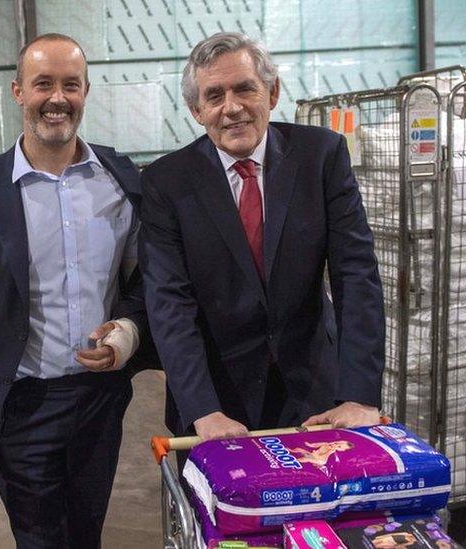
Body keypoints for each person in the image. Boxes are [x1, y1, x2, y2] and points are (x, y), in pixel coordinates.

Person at [0, 33, 149, 548]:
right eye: (43, 84)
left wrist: (127, 328)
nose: (57, 98)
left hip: (99, 401)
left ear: (85, 92)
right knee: (39, 539)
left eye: (70, 85)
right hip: (20, 403)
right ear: (17, 91)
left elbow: (147, 281)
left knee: (87, 534)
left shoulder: (121, 178)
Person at [139, 32, 385, 445]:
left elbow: (355, 274)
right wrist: (203, 409)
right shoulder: (167, 182)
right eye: (214, 96)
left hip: (315, 393)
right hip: (217, 399)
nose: (231, 108)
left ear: (272, 93)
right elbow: (169, 303)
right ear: (196, 110)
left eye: (245, 89)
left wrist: (359, 395)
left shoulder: (321, 156)